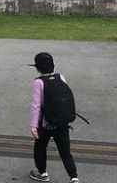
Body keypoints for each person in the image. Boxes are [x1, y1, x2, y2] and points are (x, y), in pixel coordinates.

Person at [29, 52, 79, 183]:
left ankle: (42, 173)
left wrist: (34, 126)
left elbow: (36, 106)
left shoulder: (38, 82)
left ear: (38, 67)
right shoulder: (60, 77)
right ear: (53, 66)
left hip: (46, 124)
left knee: (40, 147)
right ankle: (73, 177)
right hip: (62, 123)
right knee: (65, 152)